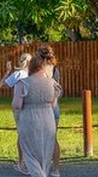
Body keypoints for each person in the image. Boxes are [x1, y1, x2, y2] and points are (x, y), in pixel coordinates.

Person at [13, 54, 61, 177]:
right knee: (45, 152)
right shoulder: (52, 83)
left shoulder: (23, 83)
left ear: (31, 67)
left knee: (29, 151)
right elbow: (53, 103)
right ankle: (44, 172)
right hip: (47, 118)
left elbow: (17, 105)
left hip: (29, 118)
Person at [1, 52, 32, 174]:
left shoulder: (19, 74)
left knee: (21, 134)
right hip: (32, 106)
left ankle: (21, 161)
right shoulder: (35, 74)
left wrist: (7, 71)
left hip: (19, 107)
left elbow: (2, 85)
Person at [37, 46, 62, 177]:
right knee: (52, 138)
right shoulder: (55, 70)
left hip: (41, 107)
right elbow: (58, 90)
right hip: (54, 107)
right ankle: (56, 169)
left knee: (40, 138)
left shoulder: (37, 71)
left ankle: (42, 168)